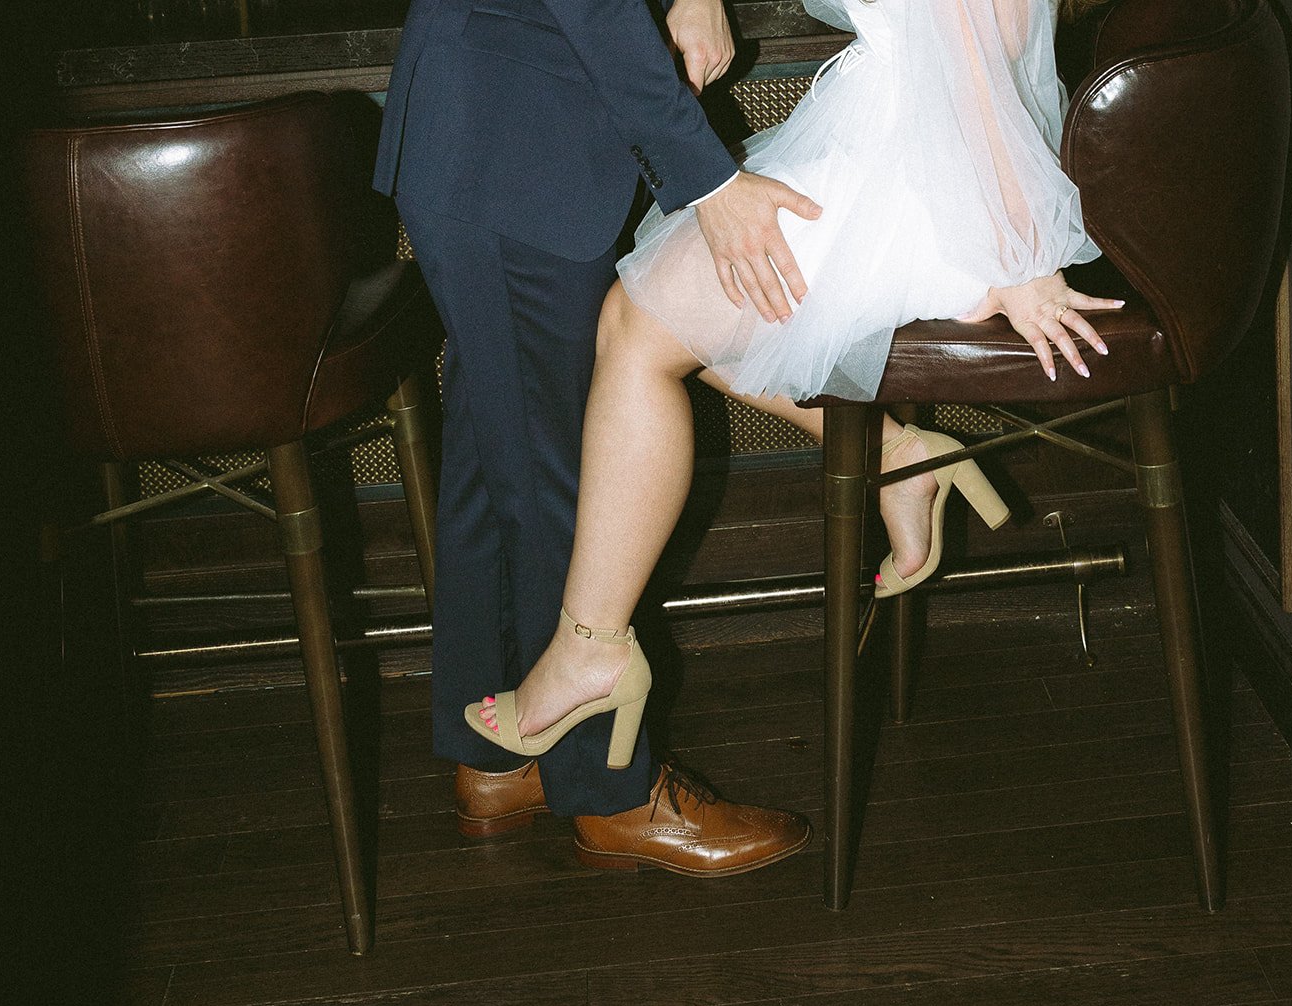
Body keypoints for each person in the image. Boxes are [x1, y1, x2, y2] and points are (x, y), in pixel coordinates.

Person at [463, 0, 1122, 810]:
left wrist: (1020, 252)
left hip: (932, 184)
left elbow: (969, 32)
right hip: (906, 146)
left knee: (638, 326)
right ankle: (897, 461)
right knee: (668, 300)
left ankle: (590, 646)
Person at [374, 0, 827, 876]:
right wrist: (709, 181)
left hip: (500, 140)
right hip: (507, 146)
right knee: (559, 483)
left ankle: (499, 757)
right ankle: (609, 789)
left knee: (495, 458)